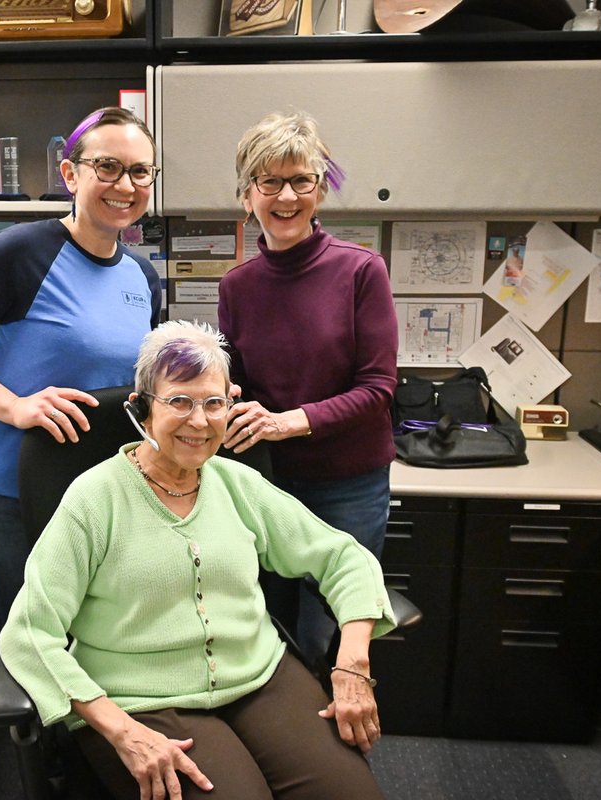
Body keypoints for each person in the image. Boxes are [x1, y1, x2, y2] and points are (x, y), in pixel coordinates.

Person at [0, 320, 397, 800]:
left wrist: (351, 662)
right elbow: (29, 633)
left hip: (261, 678)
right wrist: (120, 729)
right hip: (142, 700)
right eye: (180, 402)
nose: (200, 421)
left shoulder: (236, 483)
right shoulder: (93, 499)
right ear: (143, 409)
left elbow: (343, 558)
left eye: (214, 403)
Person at [0, 107, 162, 627]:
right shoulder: (24, 251)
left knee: (89, 640)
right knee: (44, 647)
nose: (126, 184)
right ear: (71, 174)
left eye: (141, 171)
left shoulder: (141, 275)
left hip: (79, 497)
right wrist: (16, 406)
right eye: (108, 167)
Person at [217, 110, 399, 668]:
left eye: (302, 180)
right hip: (267, 483)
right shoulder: (237, 287)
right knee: (265, 630)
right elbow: (237, 384)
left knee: (331, 635)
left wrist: (288, 420)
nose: (286, 196)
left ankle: (337, 744)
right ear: (247, 193)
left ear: (321, 187)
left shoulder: (361, 271)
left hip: (347, 485)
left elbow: (379, 387)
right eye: (270, 182)